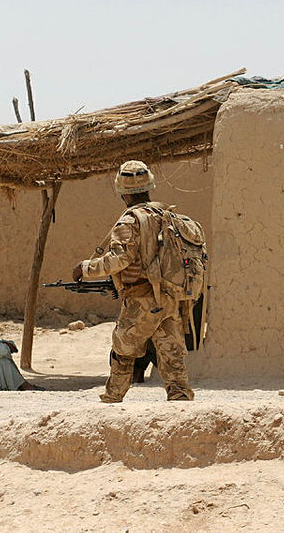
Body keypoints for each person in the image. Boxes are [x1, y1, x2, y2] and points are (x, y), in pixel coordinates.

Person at [72, 160, 195, 403]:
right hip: (170, 298)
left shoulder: (129, 221)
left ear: (122, 192)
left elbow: (120, 259)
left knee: (123, 349)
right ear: (149, 186)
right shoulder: (166, 215)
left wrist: (85, 268)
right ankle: (179, 395)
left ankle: (113, 395)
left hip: (142, 299)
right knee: (171, 351)